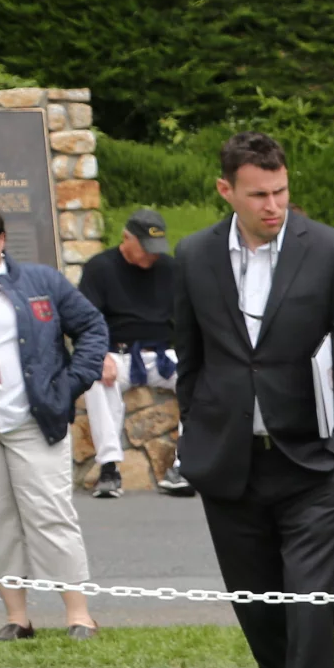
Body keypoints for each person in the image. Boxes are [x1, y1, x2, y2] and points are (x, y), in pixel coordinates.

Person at [166, 132, 334, 668]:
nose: (273, 205)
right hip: (229, 467)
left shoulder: (333, 252)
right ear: (226, 190)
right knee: (261, 618)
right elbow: (191, 358)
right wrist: (195, 437)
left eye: (281, 190)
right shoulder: (194, 255)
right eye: (258, 194)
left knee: (309, 616)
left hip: (313, 465)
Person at [0, 201, 106, 638]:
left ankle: (78, 615)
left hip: (33, 421)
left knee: (49, 513)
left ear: (0, 239)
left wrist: (67, 387)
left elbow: (91, 328)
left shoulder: (40, 282)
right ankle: (17, 618)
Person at [77, 208, 188, 498]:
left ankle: (183, 465)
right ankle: (109, 467)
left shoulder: (170, 269)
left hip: (164, 353)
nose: (152, 255)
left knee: (200, 379)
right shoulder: (99, 268)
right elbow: (86, 319)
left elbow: (188, 318)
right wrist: (99, 355)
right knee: (96, 381)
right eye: (146, 248)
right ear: (127, 238)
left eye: (157, 248)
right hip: (118, 354)